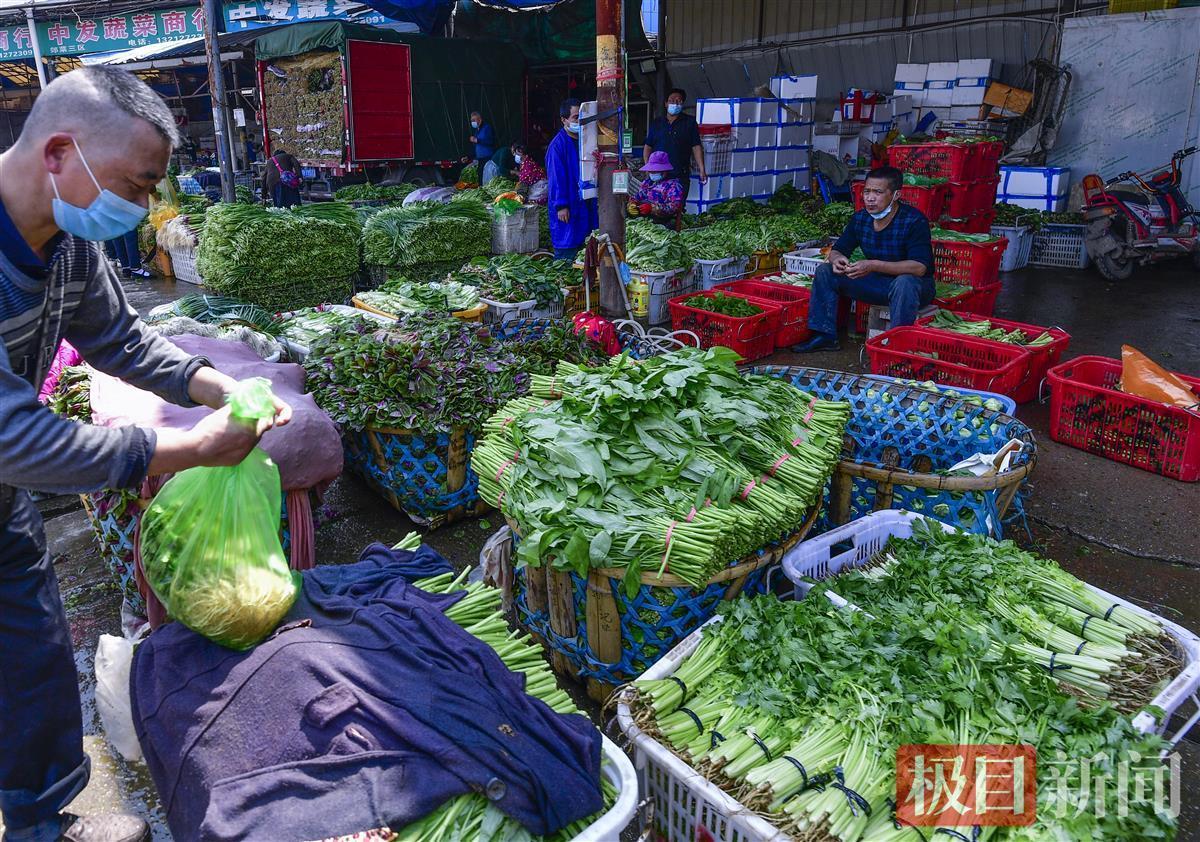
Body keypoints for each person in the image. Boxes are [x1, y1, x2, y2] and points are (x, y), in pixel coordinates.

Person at [0, 66, 291, 842]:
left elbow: (121, 338)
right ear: (61, 151)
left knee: (33, 669)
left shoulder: (62, 243)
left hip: (1, 507)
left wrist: (214, 385)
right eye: (136, 183)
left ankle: (41, 824)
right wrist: (188, 448)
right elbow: (11, 436)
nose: (144, 207)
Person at [792, 166, 934, 353]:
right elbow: (838, 249)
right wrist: (838, 260)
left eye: (878, 192)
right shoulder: (861, 219)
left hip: (914, 289)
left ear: (896, 195)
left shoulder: (914, 221)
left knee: (905, 282)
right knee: (825, 272)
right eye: (867, 191)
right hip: (877, 284)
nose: (870, 197)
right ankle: (824, 336)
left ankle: (898, 345)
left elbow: (919, 268)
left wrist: (873, 265)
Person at [545, 99, 597, 261]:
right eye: (575, 117)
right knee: (567, 254)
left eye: (582, 117)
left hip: (586, 204)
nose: (579, 121)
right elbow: (556, 179)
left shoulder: (587, 140)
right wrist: (561, 205)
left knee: (587, 252)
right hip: (568, 206)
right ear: (564, 120)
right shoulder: (557, 146)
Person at [643, 88, 707, 202]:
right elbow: (648, 147)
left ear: (682, 104)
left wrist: (702, 169)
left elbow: (696, 146)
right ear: (666, 104)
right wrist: (648, 169)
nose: (675, 103)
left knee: (677, 207)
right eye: (671, 100)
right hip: (658, 174)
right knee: (655, 207)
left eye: (678, 101)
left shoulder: (690, 122)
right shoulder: (657, 123)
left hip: (679, 173)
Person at [631, 150, 684, 222]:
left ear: (665, 170)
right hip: (643, 219)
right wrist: (632, 204)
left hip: (663, 223)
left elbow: (673, 208)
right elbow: (638, 196)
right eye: (651, 171)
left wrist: (652, 208)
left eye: (655, 171)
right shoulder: (648, 183)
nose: (652, 173)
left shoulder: (674, 185)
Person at [463, 110, 496, 176]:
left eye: (474, 120)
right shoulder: (477, 131)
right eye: (471, 120)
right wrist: (468, 157)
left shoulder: (487, 128)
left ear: (480, 120)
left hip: (488, 158)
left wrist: (478, 140)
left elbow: (491, 141)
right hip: (480, 158)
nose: (472, 122)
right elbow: (476, 148)